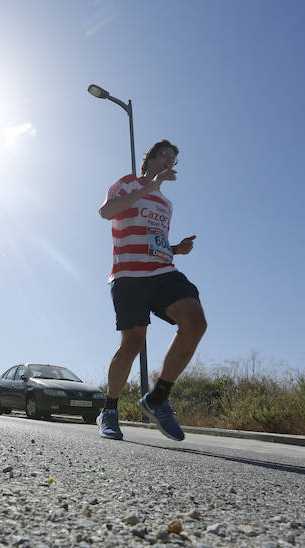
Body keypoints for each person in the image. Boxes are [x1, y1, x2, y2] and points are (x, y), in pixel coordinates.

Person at [97, 140, 207, 441]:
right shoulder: (128, 183)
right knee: (132, 344)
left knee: (195, 322)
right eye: (165, 156)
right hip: (128, 275)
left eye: (173, 159)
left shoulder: (166, 205)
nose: (169, 161)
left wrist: (175, 249)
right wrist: (149, 186)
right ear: (151, 159)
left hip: (161, 271)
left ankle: (157, 398)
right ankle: (109, 409)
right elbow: (107, 213)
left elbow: (152, 241)